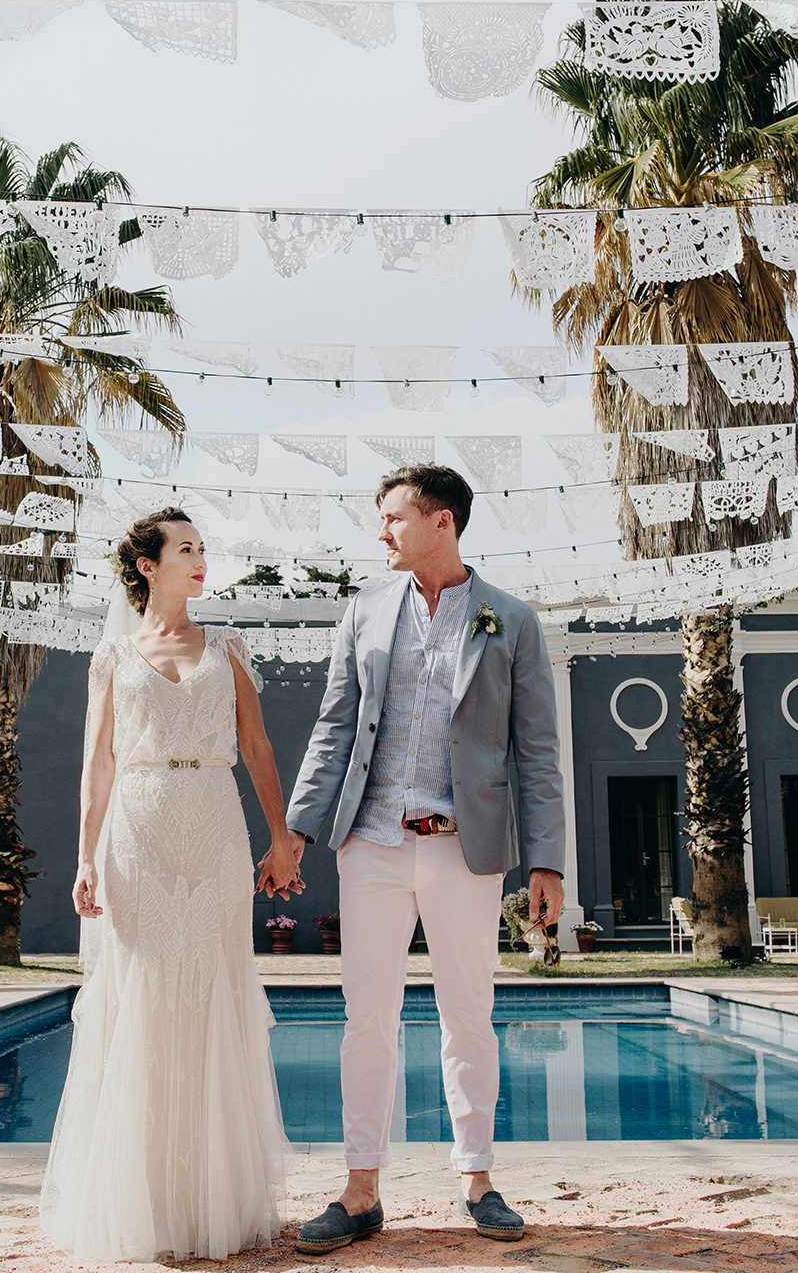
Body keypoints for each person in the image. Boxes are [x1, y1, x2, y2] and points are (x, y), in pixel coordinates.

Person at [284, 464, 567, 1254]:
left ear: (442, 522)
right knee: (365, 1019)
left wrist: (546, 860)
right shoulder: (365, 609)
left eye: (393, 518)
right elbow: (334, 726)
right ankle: (361, 1189)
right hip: (370, 844)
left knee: (467, 1016)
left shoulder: (510, 620)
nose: (381, 533)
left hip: (466, 851)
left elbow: (536, 750)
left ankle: (477, 1179)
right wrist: (298, 830)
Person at [39, 507, 306, 1263]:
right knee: (143, 998)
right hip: (139, 827)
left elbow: (256, 746)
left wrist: (281, 838)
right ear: (148, 566)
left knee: (214, 990)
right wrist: (86, 857)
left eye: (202, 549)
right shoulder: (112, 658)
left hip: (215, 823)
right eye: (185, 549)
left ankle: (213, 1200)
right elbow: (98, 763)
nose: (200, 560)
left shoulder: (228, 647)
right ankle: (142, 1204)